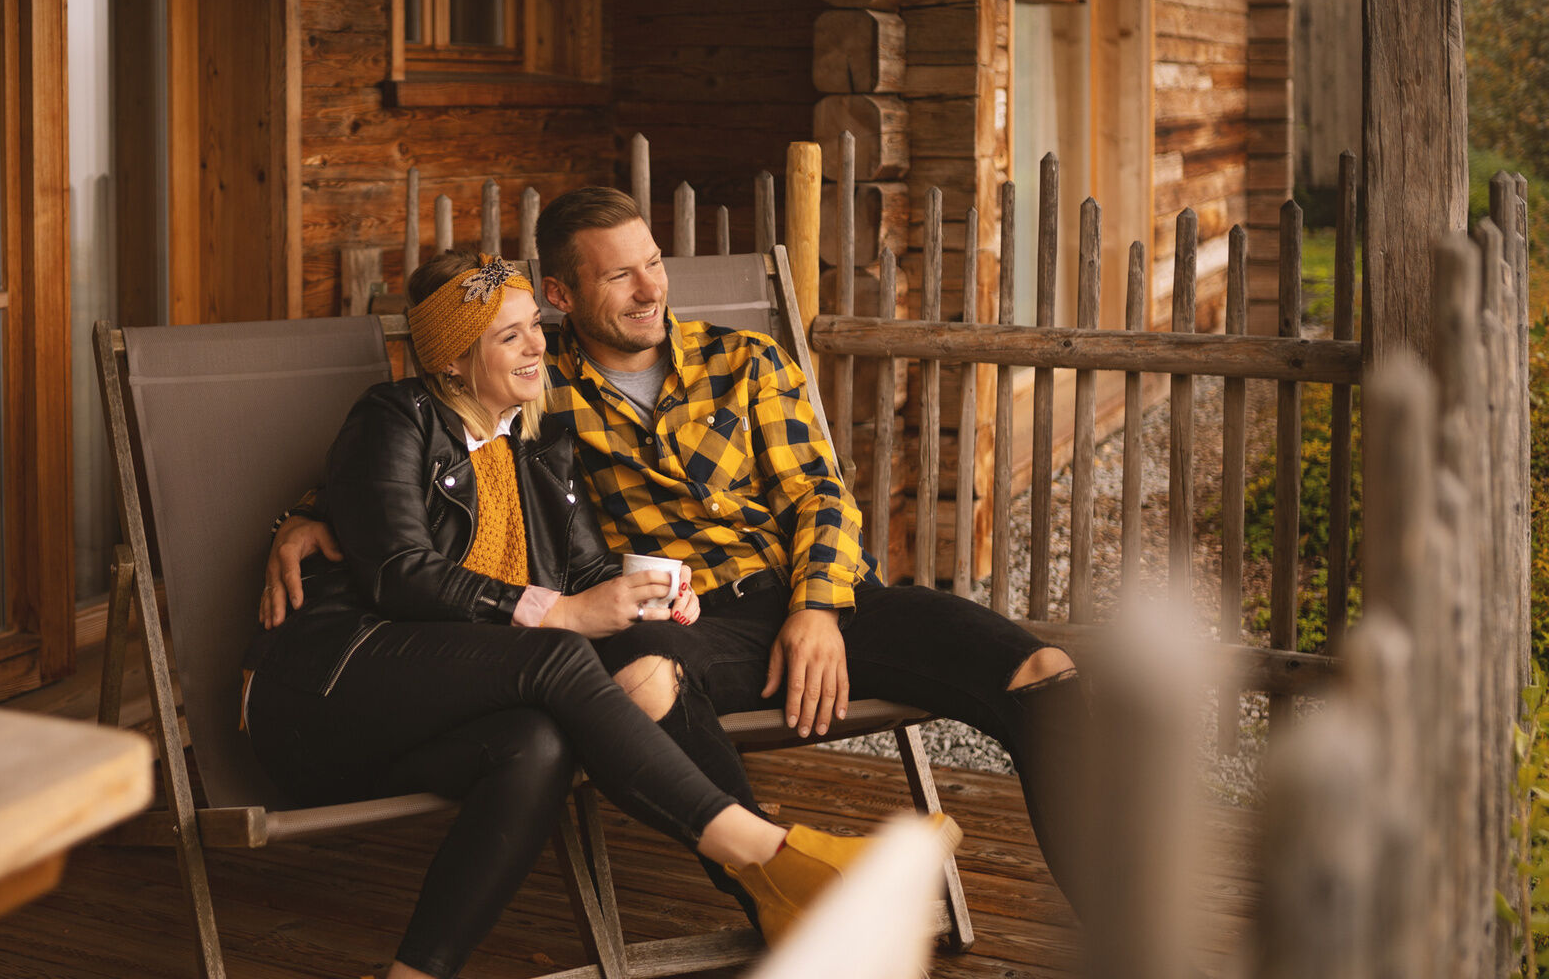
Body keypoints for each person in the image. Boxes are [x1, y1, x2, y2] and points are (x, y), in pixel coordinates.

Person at [266, 188, 1093, 923]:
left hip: (823, 600)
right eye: (619, 275)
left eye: (654, 263)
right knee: (641, 676)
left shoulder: (745, 362)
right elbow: (431, 441)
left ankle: (1123, 916)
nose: (651, 288)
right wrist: (308, 513)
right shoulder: (544, 394)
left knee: (1042, 672)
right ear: (562, 295)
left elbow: (821, 496)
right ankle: (780, 889)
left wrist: (816, 609)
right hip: (690, 625)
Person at [246, 250, 953, 979]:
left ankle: (415, 974)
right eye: (508, 337)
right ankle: (764, 854)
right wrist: (560, 612)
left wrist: (656, 589)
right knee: (557, 652)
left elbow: (584, 572)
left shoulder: (541, 441)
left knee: (538, 747)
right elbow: (398, 572)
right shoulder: (396, 416)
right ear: (454, 360)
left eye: (534, 327)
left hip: (435, 713)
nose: (536, 347)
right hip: (330, 688)